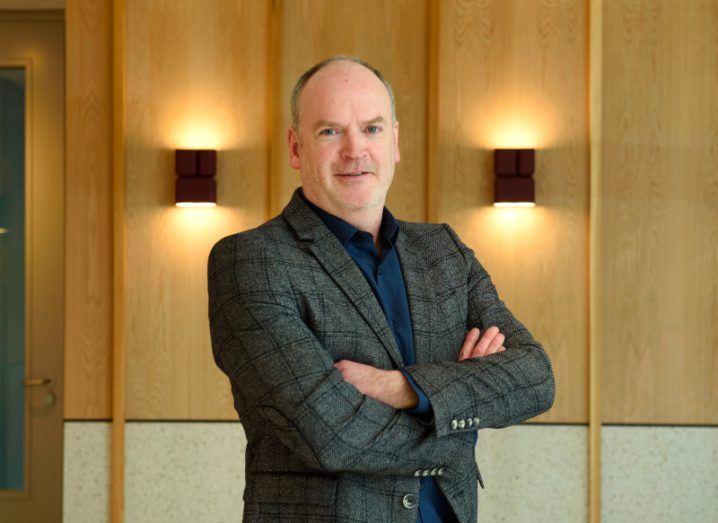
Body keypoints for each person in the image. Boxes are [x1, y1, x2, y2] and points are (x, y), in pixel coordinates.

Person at [207, 55, 555, 523]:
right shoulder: (252, 260)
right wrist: (459, 425)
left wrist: (403, 389)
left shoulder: (443, 251)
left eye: (371, 129)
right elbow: (331, 434)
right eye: (330, 131)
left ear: (395, 141)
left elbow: (535, 378)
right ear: (295, 147)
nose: (355, 150)